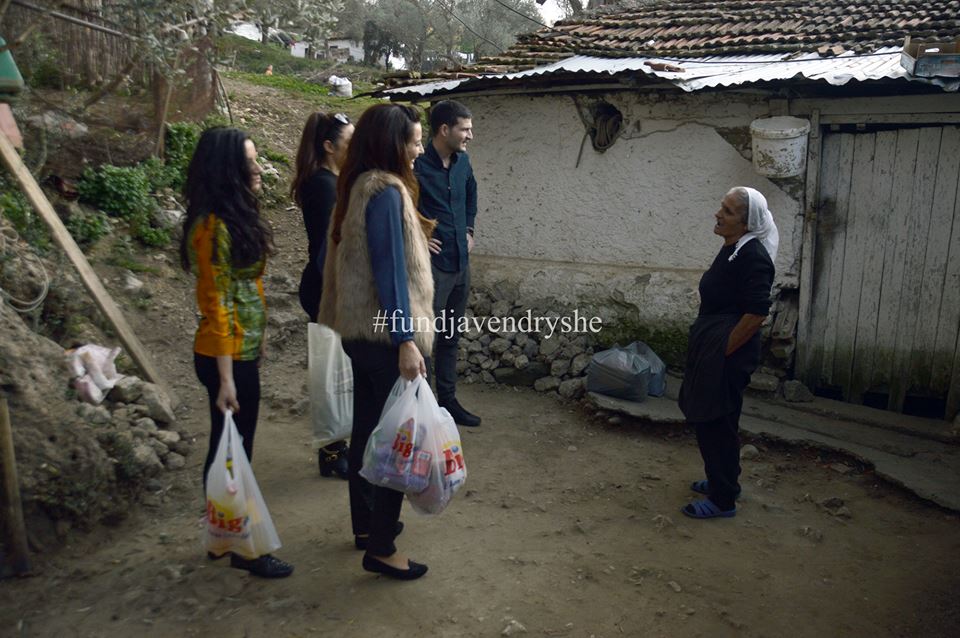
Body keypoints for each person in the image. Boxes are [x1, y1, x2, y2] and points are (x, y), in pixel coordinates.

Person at [319, 103, 435, 580]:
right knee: (397, 443)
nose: (419, 150)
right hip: (386, 337)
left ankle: (367, 526)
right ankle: (382, 548)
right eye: (414, 142)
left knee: (369, 432)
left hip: (360, 332)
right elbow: (390, 273)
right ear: (393, 144)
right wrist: (405, 339)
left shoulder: (356, 184)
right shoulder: (386, 191)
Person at [180, 127, 293, 578]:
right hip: (223, 358)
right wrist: (227, 379)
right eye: (249, 162)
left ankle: (221, 535)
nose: (259, 168)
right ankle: (244, 547)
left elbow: (248, 288)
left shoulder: (233, 219)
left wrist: (258, 335)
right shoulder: (213, 228)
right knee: (235, 450)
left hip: (239, 351)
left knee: (226, 445)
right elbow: (219, 303)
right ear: (228, 170)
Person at [678, 187, 777, 519]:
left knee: (716, 421)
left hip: (728, 353)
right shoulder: (734, 249)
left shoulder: (753, 257)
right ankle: (723, 482)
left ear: (747, 223)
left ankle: (722, 500)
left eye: (728, 211)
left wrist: (722, 350)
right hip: (716, 345)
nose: (718, 214)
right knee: (719, 419)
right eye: (722, 207)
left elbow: (756, 313)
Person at [291, 111, 355, 479]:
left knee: (338, 369)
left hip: (329, 287)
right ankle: (331, 453)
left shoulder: (332, 181)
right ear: (329, 146)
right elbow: (326, 249)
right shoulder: (322, 186)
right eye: (349, 142)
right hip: (326, 290)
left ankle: (338, 445)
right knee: (330, 373)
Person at [414, 99, 481, 427]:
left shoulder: (463, 162)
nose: (470, 135)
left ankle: (449, 402)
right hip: (433, 267)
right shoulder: (416, 166)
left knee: (451, 335)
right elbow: (401, 203)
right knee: (426, 339)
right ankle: (424, 407)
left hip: (460, 264)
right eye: (464, 129)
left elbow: (471, 193)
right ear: (444, 130)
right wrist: (418, 235)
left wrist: (469, 229)